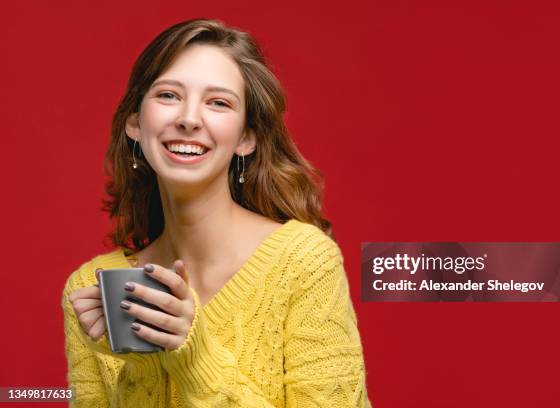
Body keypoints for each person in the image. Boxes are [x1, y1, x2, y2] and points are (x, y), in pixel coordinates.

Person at [61, 18, 372, 407]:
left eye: (218, 103)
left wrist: (194, 359)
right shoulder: (90, 287)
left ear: (246, 137)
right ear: (136, 124)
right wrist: (140, 362)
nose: (189, 118)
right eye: (169, 95)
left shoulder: (304, 263)